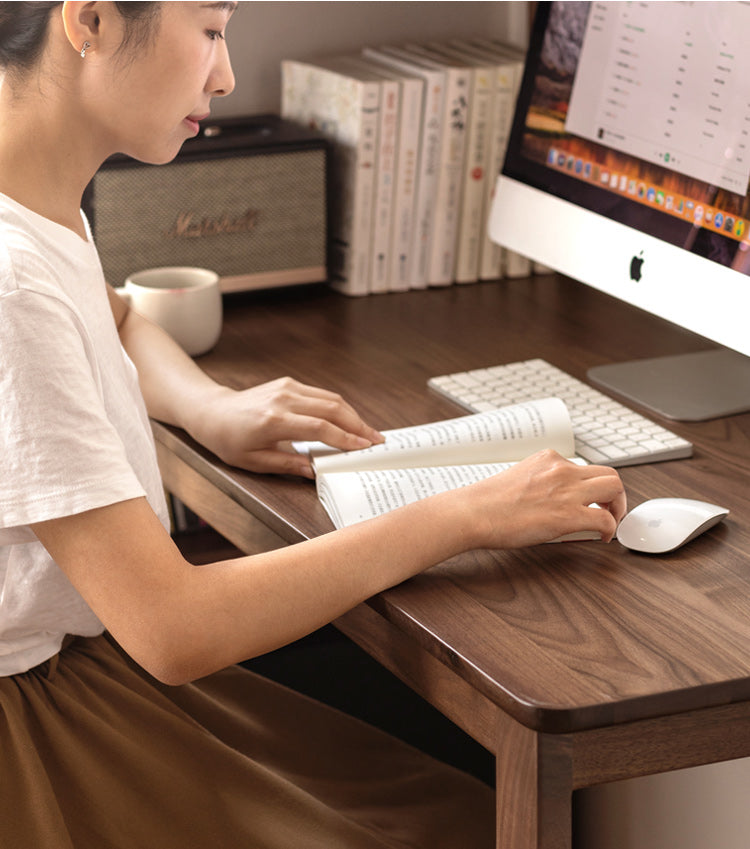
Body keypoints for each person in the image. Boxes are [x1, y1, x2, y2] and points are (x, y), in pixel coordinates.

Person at [0, 2, 627, 847]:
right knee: (462, 820)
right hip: (40, 723)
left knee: (447, 796)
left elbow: (115, 320)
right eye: (213, 30)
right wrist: (469, 513)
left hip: (85, 668)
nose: (224, 75)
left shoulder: (34, 193)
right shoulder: (10, 287)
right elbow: (173, 628)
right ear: (93, 21)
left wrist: (208, 408)